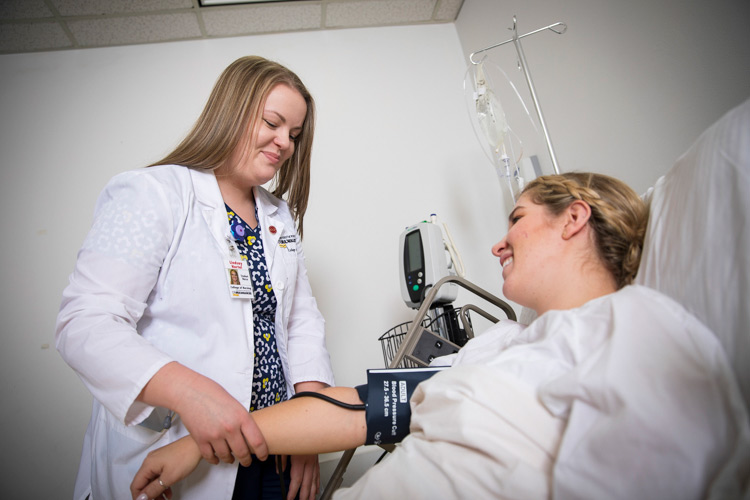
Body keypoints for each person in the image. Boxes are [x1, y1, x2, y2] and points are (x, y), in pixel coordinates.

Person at [130, 173, 750, 500]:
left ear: (575, 219)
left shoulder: (635, 330)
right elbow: (361, 410)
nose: (498, 241)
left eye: (517, 219)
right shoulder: (501, 344)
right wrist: (196, 447)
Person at [55, 56, 335, 500]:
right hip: (177, 448)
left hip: (273, 448)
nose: (284, 143)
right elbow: (86, 322)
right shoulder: (155, 194)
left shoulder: (278, 217)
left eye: (294, 135)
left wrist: (309, 424)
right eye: (273, 123)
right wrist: (192, 393)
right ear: (233, 111)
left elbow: (301, 325)